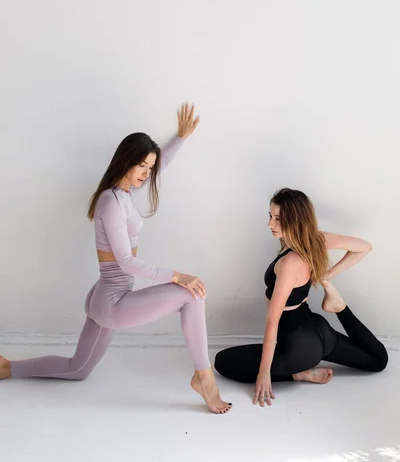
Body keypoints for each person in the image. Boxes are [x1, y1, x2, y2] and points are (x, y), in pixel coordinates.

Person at [0, 103, 232, 414]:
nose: (146, 174)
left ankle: (6, 368)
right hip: (112, 301)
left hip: (102, 296)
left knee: (77, 369)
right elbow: (126, 262)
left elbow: (159, 169)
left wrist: (180, 138)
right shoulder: (111, 201)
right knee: (192, 294)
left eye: (149, 168)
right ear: (125, 161)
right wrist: (178, 276)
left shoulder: (123, 194)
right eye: (141, 166)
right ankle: (204, 378)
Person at [214, 188, 388, 407]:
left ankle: (299, 374)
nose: (270, 224)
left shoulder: (289, 264)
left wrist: (265, 373)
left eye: (278, 219)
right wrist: (328, 276)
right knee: (378, 360)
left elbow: (272, 321)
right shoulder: (317, 239)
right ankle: (340, 307)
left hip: (299, 348)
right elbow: (364, 247)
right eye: (270, 216)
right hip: (320, 331)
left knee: (223, 362)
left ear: (295, 220)